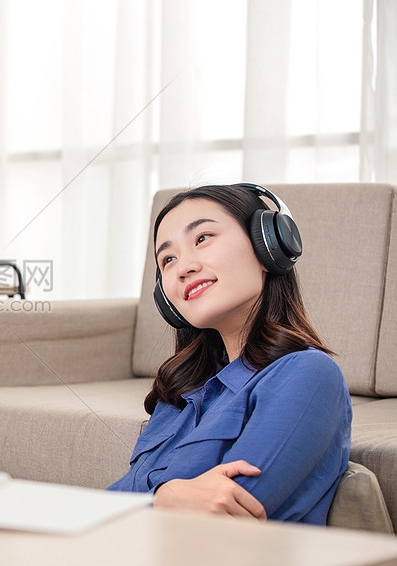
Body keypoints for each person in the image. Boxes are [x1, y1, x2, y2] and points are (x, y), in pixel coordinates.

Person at [107, 184, 351, 524]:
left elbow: (223, 516)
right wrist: (165, 498)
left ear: (268, 246)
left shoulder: (308, 374)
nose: (183, 267)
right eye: (168, 259)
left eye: (203, 238)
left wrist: (156, 500)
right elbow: (112, 505)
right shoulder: (177, 394)